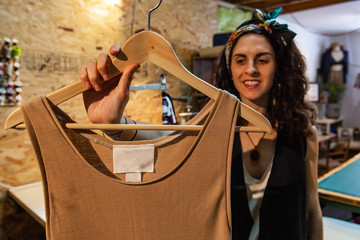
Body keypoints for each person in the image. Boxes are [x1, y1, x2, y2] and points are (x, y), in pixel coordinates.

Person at [79, 7, 323, 240]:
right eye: (240, 60)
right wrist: (113, 122)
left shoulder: (303, 134)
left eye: (262, 60)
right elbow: (159, 138)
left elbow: (312, 210)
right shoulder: (212, 130)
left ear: (279, 68)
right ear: (230, 69)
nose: (250, 69)